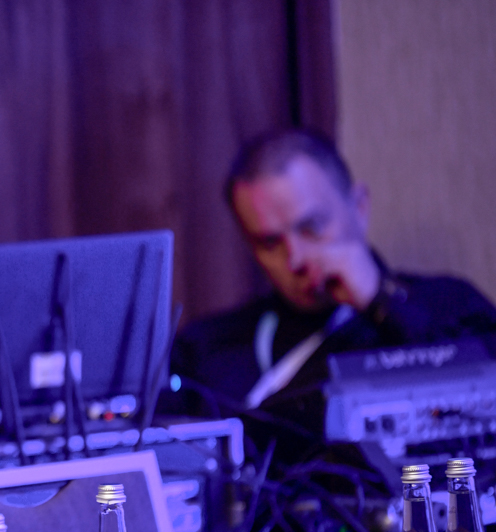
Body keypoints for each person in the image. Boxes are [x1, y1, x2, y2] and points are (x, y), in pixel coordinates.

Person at [170, 129, 496, 442]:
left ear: (360, 207)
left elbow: (479, 392)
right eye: (270, 243)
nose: (295, 258)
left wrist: (381, 301)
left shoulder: (448, 306)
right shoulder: (206, 347)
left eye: (311, 227)